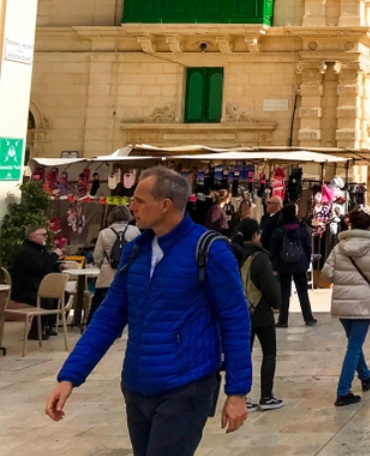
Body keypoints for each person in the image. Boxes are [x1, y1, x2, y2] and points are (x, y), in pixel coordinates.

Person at [47, 166, 252, 453]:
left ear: (165, 205)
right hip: (137, 387)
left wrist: (237, 392)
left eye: (139, 201)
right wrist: (70, 377)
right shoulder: (137, 251)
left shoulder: (210, 251)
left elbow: (235, 320)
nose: (131, 207)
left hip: (185, 386)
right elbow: (107, 318)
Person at [321, 210, 370, 406]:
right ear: (368, 228)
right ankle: (343, 391)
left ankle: (366, 375)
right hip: (364, 303)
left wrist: (343, 278)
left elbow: (326, 274)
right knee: (354, 346)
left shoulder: (339, 247)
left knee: (354, 343)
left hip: (343, 302)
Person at [231, 219, 284, 411]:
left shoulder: (232, 255)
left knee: (244, 354)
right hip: (260, 313)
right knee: (269, 352)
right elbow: (270, 288)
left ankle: (241, 396)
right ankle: (266, 396)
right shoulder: (259, 258)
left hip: (239, 313)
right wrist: (276, 303)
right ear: (255, 235)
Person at [10, 223, 65, 338]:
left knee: (63, 295)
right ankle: (36, 331)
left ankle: (48, 326)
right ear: (33, 237)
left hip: (35, 286)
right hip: (24, 289)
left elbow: (46, 265)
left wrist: (57, 266)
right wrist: (55, 255)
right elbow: (41, 267)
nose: (46, 237)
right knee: (47, 299)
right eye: (43, 235)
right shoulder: (26, 252)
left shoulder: (40, 250)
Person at [271, 203, 317, 327]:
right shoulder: (302, 229)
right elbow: (308, 247)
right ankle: (308, 318)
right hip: (299, 264)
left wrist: (274, 265)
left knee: (284, 292)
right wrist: (306, 262)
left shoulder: (279, 230)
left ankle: (283, 320)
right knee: (303, 291)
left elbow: (274, 250)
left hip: (283, 264)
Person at [92, 206, 139, 316]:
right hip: (128, 274)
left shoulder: (104, 233)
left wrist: (104, 266)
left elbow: (97, 256)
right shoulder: (135, 231)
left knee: (99, 305)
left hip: (107, 276)